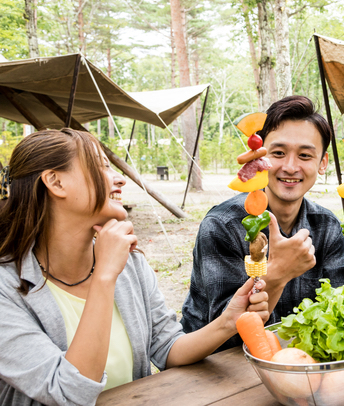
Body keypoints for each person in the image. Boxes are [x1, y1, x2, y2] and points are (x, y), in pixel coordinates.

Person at [0, 129, 269, 406]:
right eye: (101, 167)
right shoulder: (5, 288)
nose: (119, 179)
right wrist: (104, 276)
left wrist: (228, 322)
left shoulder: (129, 263)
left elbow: (167, 347)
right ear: (56, 182)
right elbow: (69, 394)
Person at [181, 95, 344, 351]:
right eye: (278, 153)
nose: (290, 167)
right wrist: (278, 273)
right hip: (211, 369)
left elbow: (336, 313)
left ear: (322, 164)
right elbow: (228, 338)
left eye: (305, 155)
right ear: (259, 159)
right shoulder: (223, 226)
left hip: (294, 361)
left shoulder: (326, 225)